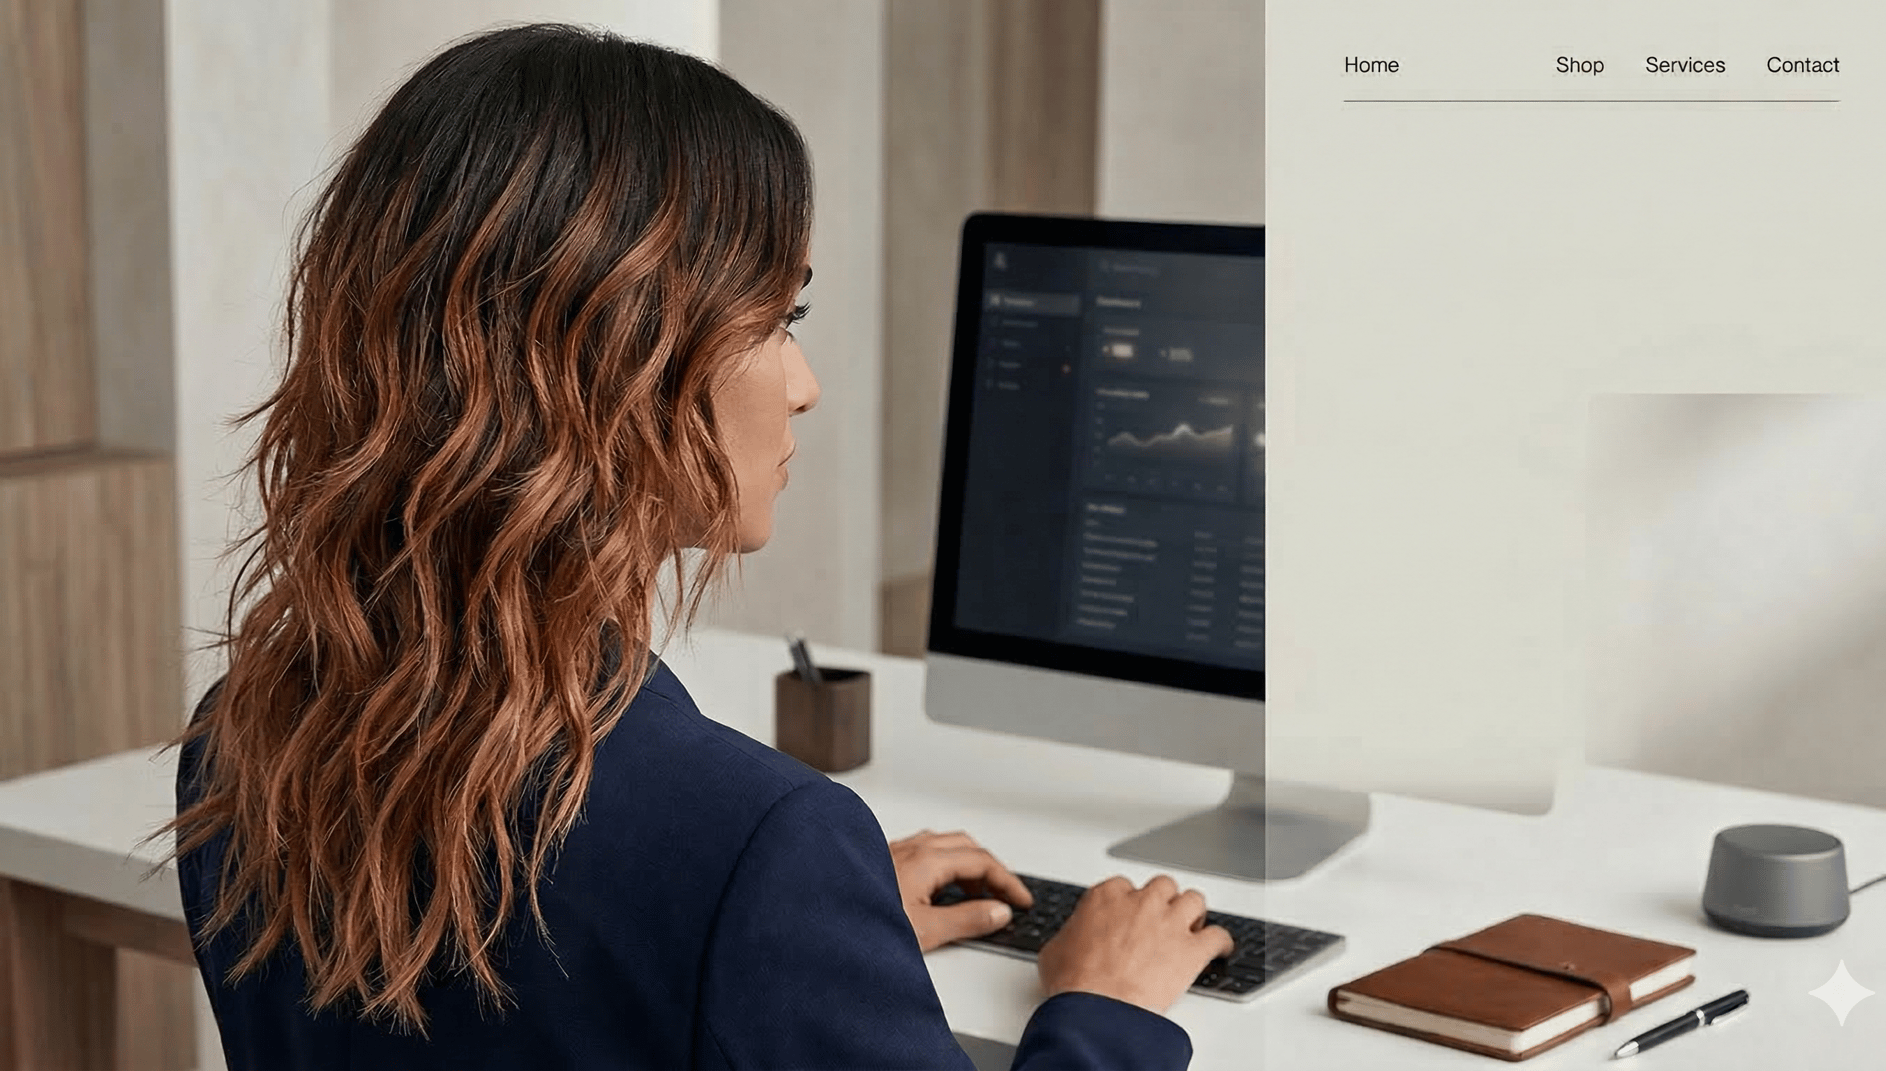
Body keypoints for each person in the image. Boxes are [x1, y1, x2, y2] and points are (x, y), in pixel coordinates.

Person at [165, 24, 1233, 1070]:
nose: (805, 385)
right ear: (613, 359)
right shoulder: (758, 845)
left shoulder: (245, 743)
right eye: (778, 318)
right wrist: (1107, 1011)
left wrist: (803, 953)